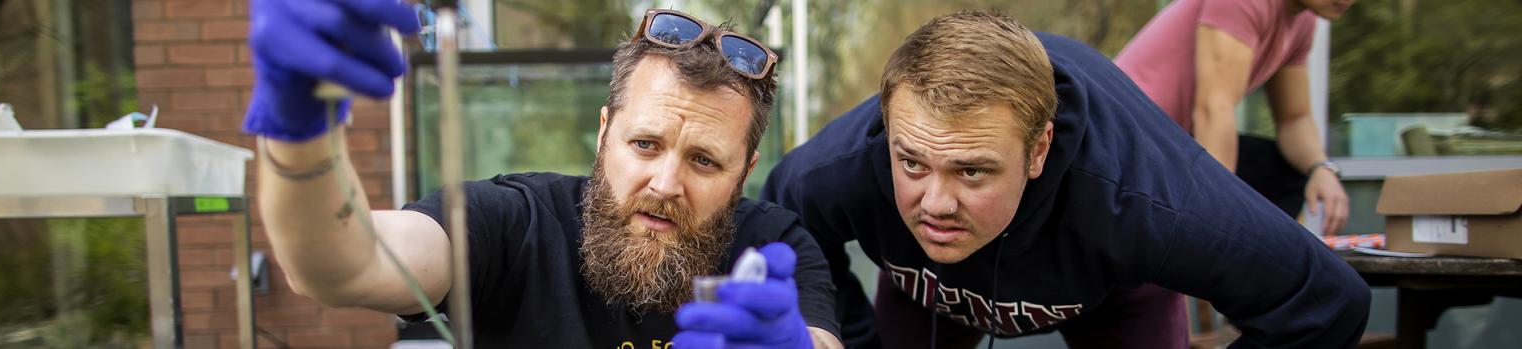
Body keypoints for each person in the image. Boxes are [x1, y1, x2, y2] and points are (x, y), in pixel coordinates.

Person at [242, 1, 840, 347]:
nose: (665, 183)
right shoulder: (518, 223)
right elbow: (340, 264)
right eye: (645, 143)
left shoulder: (775, 246)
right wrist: (298, 127)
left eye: (704, 160)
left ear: (746, 172)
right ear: (604, 133)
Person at [762, 10, 1370, 349]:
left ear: (1037, 150)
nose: (936, 201)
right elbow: (786, 226)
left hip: (1108, 283)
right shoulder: (839, 169)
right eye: (913, 163)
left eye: (973, 169)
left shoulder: (1144, 197)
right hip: (927, 287)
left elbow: (1326, 301)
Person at [1115, 0, 1353, 234]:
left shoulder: (1302, 21)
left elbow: (1294, 119)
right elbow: (1213, 108)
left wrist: (1321, 168)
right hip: (1122, 141)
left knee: (1285, 174)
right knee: (1222, 207)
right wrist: (1218, 210)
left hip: (1172, 143)